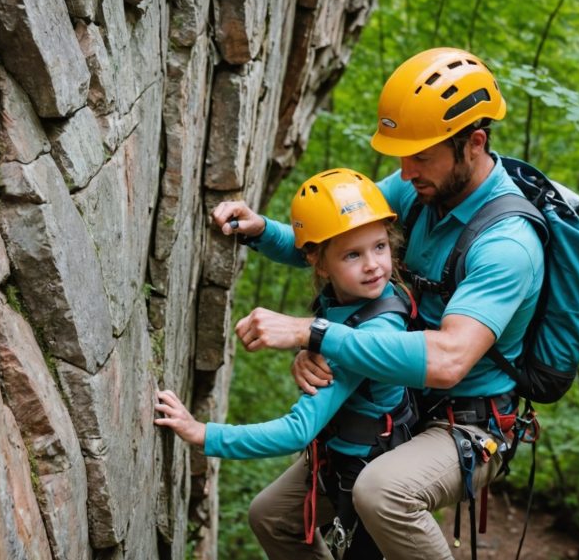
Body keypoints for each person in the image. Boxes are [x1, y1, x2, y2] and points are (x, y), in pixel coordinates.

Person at [211, 47, 545, 560]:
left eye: (420, 155)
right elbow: (340, 241)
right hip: (396, 398)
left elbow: (448, 361)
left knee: (381, 491)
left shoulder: (507, 245)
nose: (404, 171)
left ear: (473, 144)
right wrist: (264, 232)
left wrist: (316, 334)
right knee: (272, 516)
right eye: (402, 156)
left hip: (466, 420)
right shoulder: (423, 189)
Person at [157, 168, 416, 559]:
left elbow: (296, 431)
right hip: (339, 456)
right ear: (320, 264)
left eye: (380, 247)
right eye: (353, 254)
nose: (374, 265)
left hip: (367, 469)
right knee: (270, 516)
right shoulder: (346, 298)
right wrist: (258, 230)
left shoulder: (375, 327)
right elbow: (308, 241)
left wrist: (202, 433)